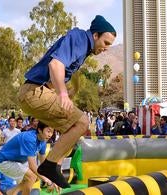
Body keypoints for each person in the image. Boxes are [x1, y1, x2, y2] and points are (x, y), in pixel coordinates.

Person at [17, 15, 116, 188]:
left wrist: (65, 91)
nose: (106, 48)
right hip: (33, 92)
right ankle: (49, 165)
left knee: (72, 132)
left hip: (37, 93)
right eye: (106, 43)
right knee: (83, 122)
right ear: (95, 36)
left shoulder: (83, 48)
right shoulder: (79, 38)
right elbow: (55, 65)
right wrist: (62, 94)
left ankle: (52, 166)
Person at [0, 122, 58, 195]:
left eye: (52, 132)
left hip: (18, 161)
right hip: (4, 161)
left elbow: (43, 163)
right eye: (48, 131)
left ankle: (11, 193)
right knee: (32, 176)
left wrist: (52, 179)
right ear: (40, 130)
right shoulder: (30, 139)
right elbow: (32, 166)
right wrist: (47, 181)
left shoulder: (43, 141)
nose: (50, 135)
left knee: (34, 178)